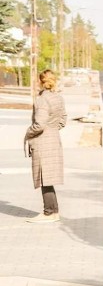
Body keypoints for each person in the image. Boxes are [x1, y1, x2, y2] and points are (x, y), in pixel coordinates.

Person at [24, 69, 67, 223]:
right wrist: (52, 129)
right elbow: (63, 120)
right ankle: (54, 212)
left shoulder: (41, 100)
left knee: (44, 178)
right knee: (48, 178)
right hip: (54, 140)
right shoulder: (58, 98)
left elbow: (39, 124)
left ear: (40, 82)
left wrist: (28, 134)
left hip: (42, 142)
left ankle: (48, 213)